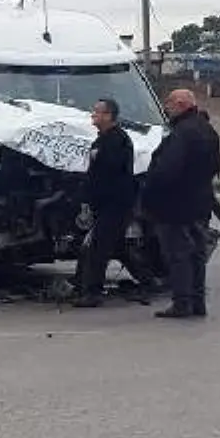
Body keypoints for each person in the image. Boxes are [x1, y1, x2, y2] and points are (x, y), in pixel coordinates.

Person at [142, 89, 220, 319]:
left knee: (177, 254)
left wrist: (151, 192)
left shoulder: (182, 133)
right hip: (200, 202)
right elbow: (216, 166)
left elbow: (167, 170)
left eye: (168, 103)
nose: (166, 108)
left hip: (175, 204)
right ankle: (197, 302)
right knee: (196, 253)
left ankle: (182, 303)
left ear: (180, 104)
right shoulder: (206, 130)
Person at [73, 98, 138, 308]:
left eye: (98, 112)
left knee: (97, 248)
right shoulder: (101, 140)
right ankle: (149, 279)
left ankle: (92, 292)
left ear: (109, 116)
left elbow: (109, 173)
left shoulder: (117, 141)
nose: (93, 115)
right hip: (104, 205)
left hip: (115, 204)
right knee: (114, 247)